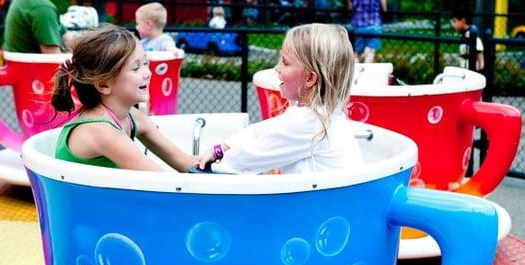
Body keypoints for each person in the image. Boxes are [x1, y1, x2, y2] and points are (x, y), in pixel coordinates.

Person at [198, 23, 363, 174]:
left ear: (310, 79)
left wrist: (214, 162)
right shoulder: (325, 114)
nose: (277, 68)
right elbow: (259, 131)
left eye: (285, 62)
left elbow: (241, 161)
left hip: (322, 205)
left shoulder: (307, 122)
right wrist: (220, 148)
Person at [51, 25, 199, 172]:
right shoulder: (100, 131)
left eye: (145, 63)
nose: (147, 73)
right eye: (135, 68)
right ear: (103, 85)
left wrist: (211, 156)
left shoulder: (130, 117)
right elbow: (164, 184)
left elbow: (185, 163)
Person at [3, 0, 68, 53]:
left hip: (18, 66)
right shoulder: (42, 7)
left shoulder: (22, 2)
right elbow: (53, 58)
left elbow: (65, 36)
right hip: (34, 67)